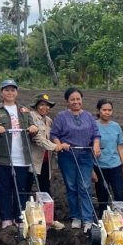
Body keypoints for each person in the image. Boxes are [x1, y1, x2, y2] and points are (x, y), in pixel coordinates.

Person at [0, 80, 38, 229]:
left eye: (12, 90)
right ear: (1, 92)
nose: (10, 93)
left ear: (16, 92)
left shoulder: (24, 110)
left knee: (21, 189)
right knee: (3, 189)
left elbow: (32, 126)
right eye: (6, 90)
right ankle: (6, 218)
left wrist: (34, 128)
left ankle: (19, 218)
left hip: (22, 157)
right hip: (1, 157)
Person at [50, 87, 101, 232]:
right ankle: (76, 217)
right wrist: (60, 145)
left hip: (85, 155)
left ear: (81, 100)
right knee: (71, 186)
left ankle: (88, 219)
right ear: (67, 101)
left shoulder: (89, 116)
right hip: (68, 156)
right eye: (72, 99)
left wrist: (96, 146)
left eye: (78, 99)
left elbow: (96, 134)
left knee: (85, 186)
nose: (75, 102)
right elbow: (54, 134)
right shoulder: (61, 116)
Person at [27, 92, 65, 230]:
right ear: (36, 106)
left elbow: (53, 135)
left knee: (45, 190)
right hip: (32, 160)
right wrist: (55, 147)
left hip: (45, 161)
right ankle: (24, 219)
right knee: (27, 189)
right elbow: (38, 138)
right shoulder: (31, 117)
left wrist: (58, 145)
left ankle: (49, 219)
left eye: (47, 105)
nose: (45, 107)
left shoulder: (48, 120)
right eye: (42, 105)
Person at [92, 99, 123, 218]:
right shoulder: (93, 126)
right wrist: (92, 170)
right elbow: (89, 149)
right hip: (99, 167)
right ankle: (104, 220)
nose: (107, 112)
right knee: (102, 197)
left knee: (119, 195)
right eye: (104, 110)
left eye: (109, 110)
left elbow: (120, 147)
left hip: (115, 166)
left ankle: (121, 220)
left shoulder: (116, 126)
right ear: (99, 111)